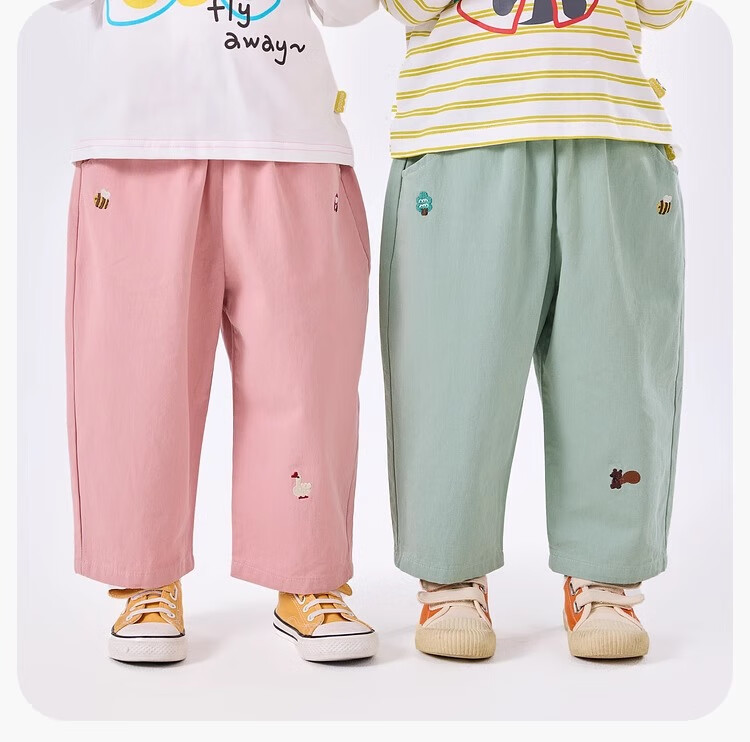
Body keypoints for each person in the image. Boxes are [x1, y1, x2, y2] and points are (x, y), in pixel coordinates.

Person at [55, 0, 379, 664]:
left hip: (288, 137)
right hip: (137, 140)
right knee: (135, 380)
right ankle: (145, 577)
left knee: (305, 376)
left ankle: (308, 573)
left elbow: (349, 9)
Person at [378, 0, 690, 660]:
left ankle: (605, 575)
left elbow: (666, 9)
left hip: (608, 131)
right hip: (463, 134)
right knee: (453, 371)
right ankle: (450, 576)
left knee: (616, 368)